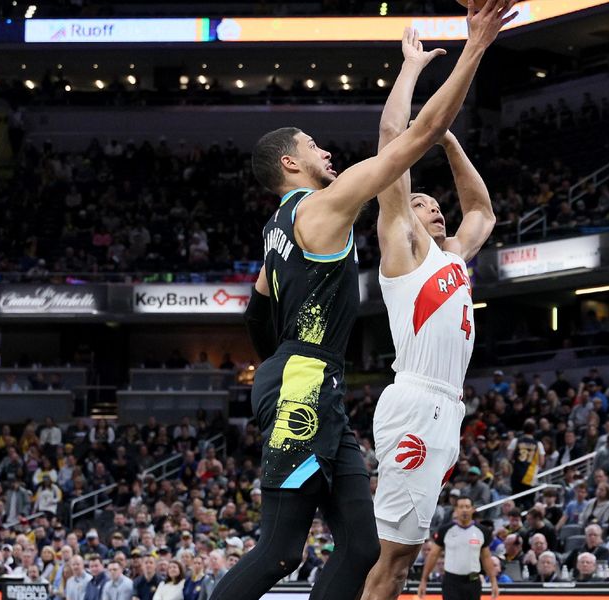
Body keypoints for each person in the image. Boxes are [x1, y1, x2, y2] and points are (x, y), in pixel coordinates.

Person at [215, 5, 513, 599]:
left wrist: (276, 366)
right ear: (289, 163)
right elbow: (412, 138)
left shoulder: (278, 228)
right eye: (314, 146)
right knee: (280, 551)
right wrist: (476, 43)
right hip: (310, 380)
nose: (327, 153)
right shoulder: (322, 207)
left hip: (313, 379)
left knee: (361, 546)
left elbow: (258, 308)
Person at [360, 23, 499, 600]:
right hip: (416, 398)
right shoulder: (403, 246)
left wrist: (447, 141)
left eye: (436, 205)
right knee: (392, 560)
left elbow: (482, 211)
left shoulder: (453, 257)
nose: (434, 209)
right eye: (421, 202)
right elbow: (393, 135)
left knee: (403, 550)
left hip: (448, 407)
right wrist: (412, 69)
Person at [418, 496, 498, 599]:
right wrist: (423, 580)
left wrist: (493, 582)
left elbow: (486, 558)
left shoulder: (483, 531)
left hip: (473, 580)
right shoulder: (445, 530)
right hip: (451, 581)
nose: (464, 510)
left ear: (473, 509)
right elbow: (433, 555)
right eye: (461, 507)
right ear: (456, 510)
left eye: (467, 506)